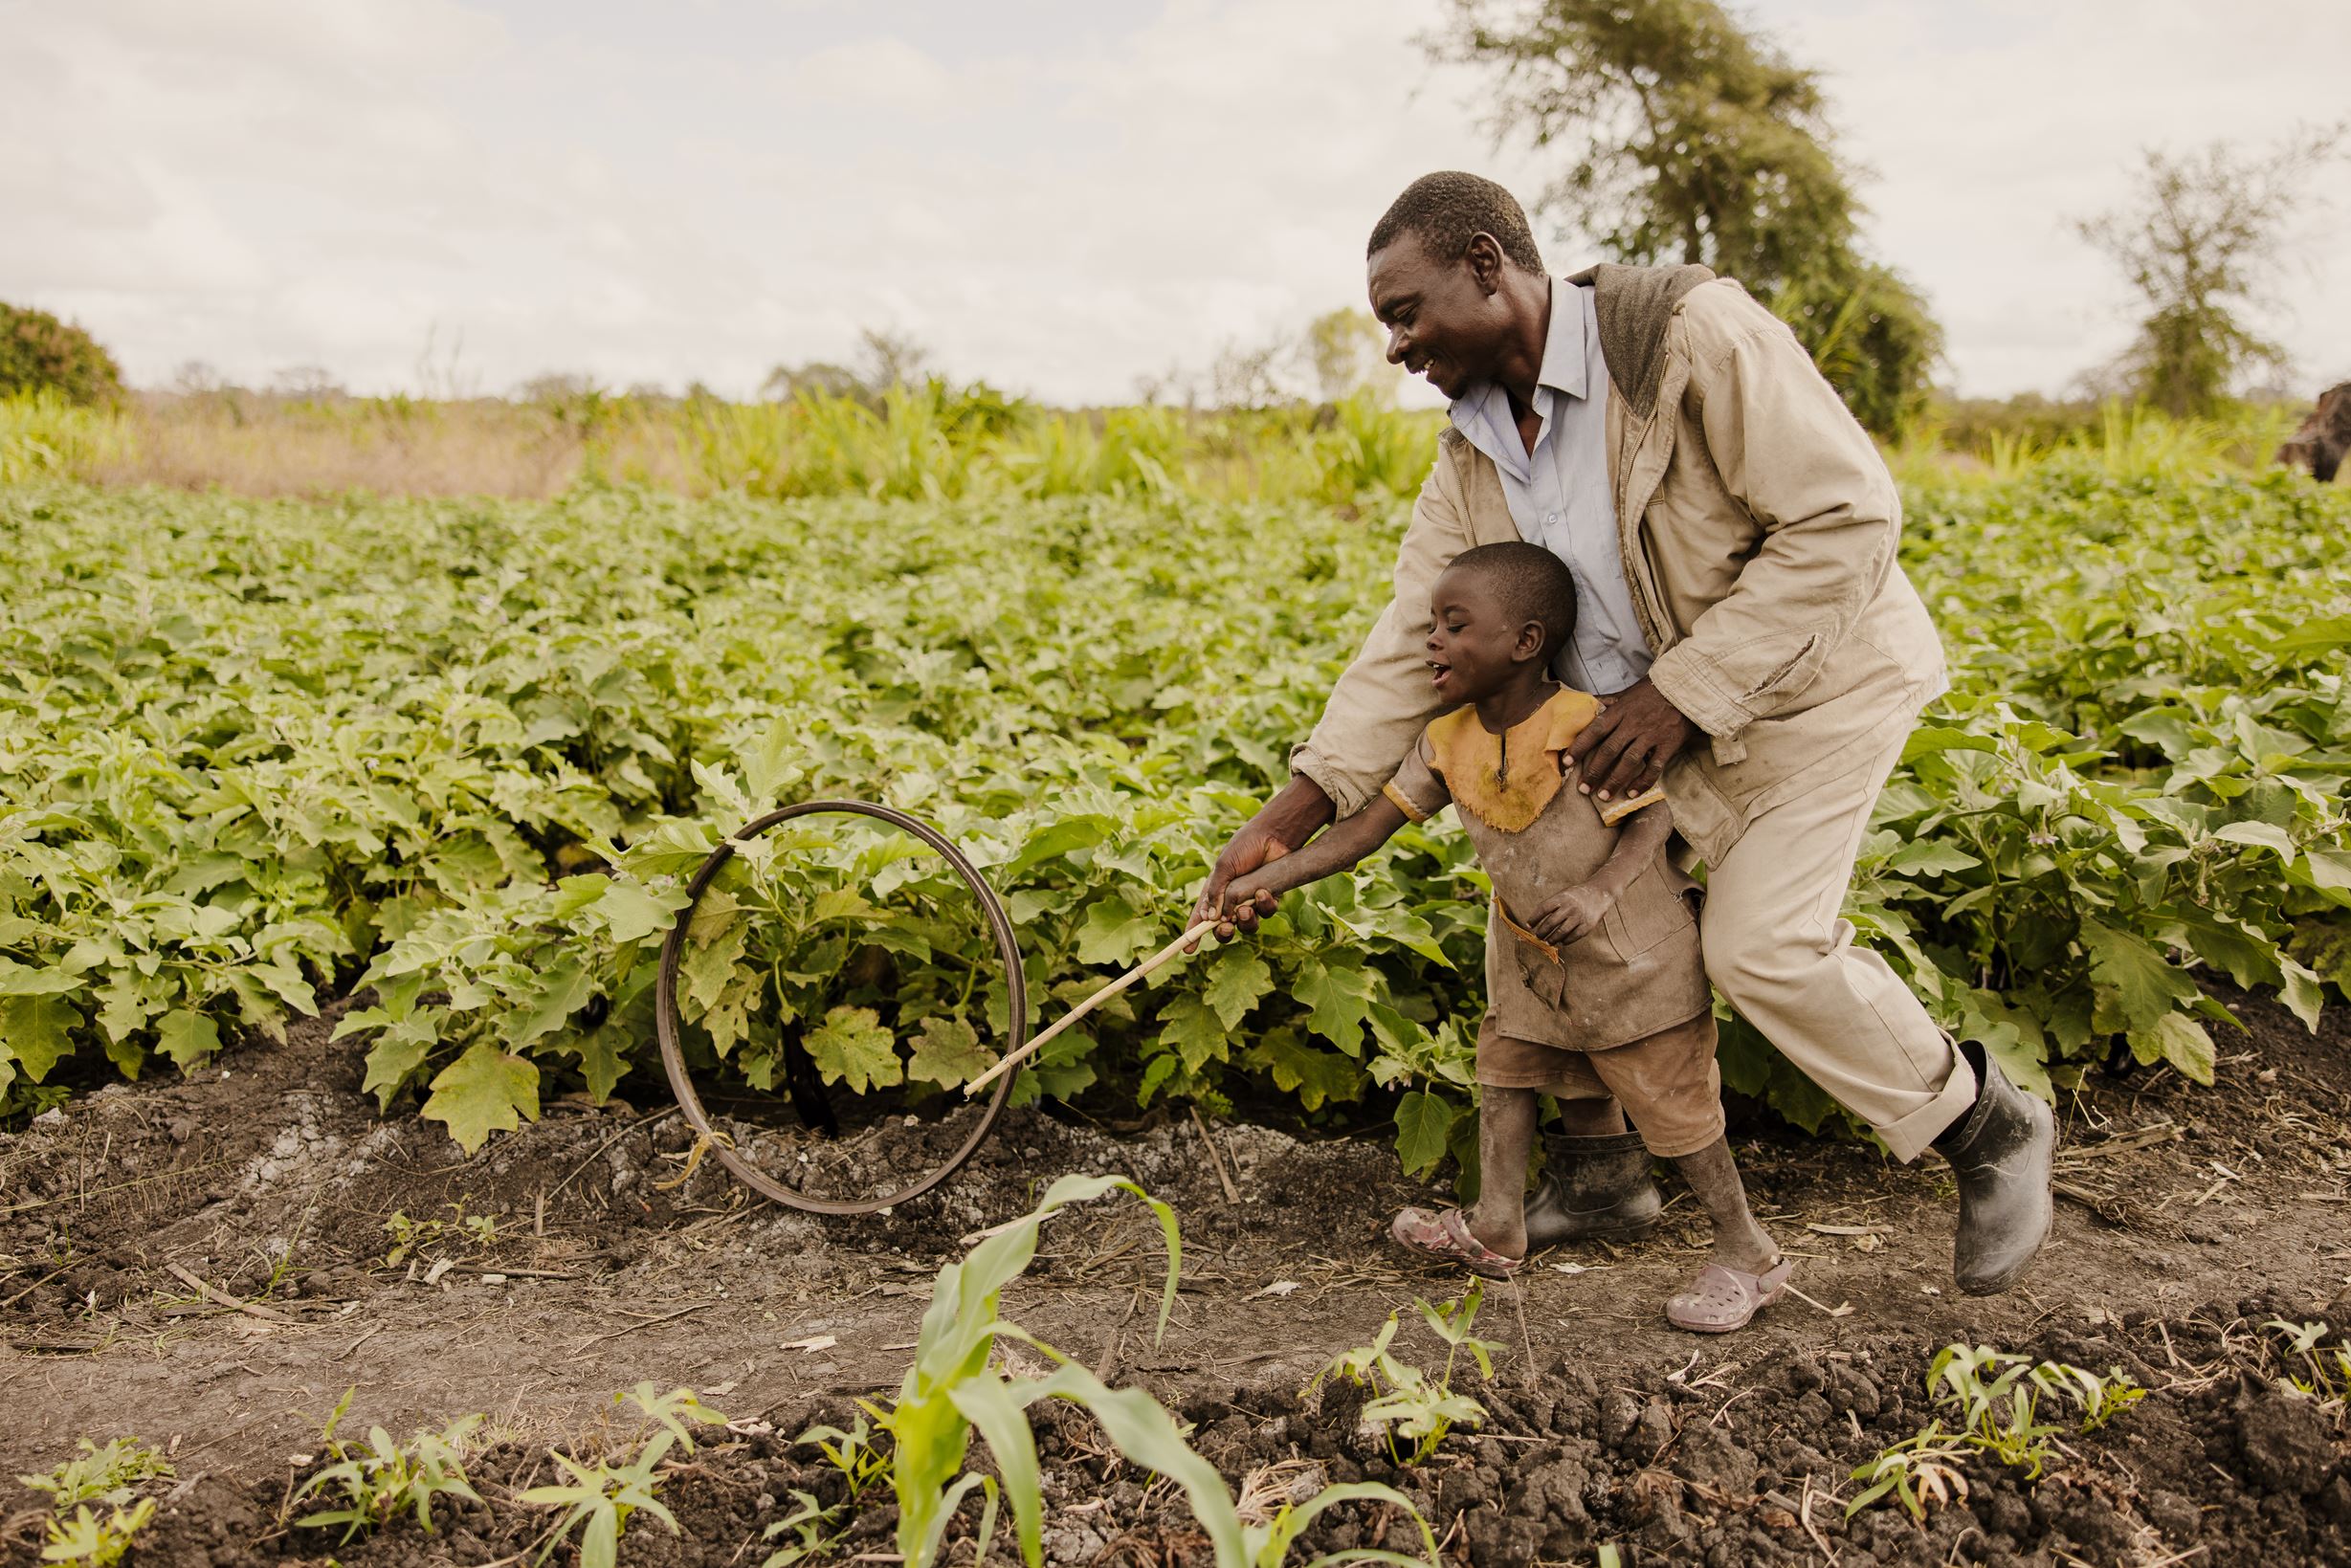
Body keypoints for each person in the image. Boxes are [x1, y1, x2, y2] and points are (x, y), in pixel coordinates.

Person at [1195, 171, 2053, 1296]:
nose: (1397, 346)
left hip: (1810, 687)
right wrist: (1303, 801)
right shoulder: (1473, 449)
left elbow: (1848, 520)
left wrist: (1682, 694)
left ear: (1489, 266)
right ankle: (1603, 1177)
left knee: (1762, 947)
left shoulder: (1686, 338)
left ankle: (1981, 1125)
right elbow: (1413, 635)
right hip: (1647, 730)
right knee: (1557, 914)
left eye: (1406, 311)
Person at [1221, 542, 1787, 1331]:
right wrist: (1265, 877)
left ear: (1525, 642)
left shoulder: (1583, 723)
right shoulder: (1444, 738)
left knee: (1675, 1106)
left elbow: (1651, 814)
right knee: (1507, 1073)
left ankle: (1748, 1253)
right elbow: (1364, 833)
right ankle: (1496, 1223)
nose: (1433, 642)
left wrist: (1597, 891)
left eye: (1455, 626)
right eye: (1431, 625)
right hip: (1530, 953)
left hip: (1629, 949)